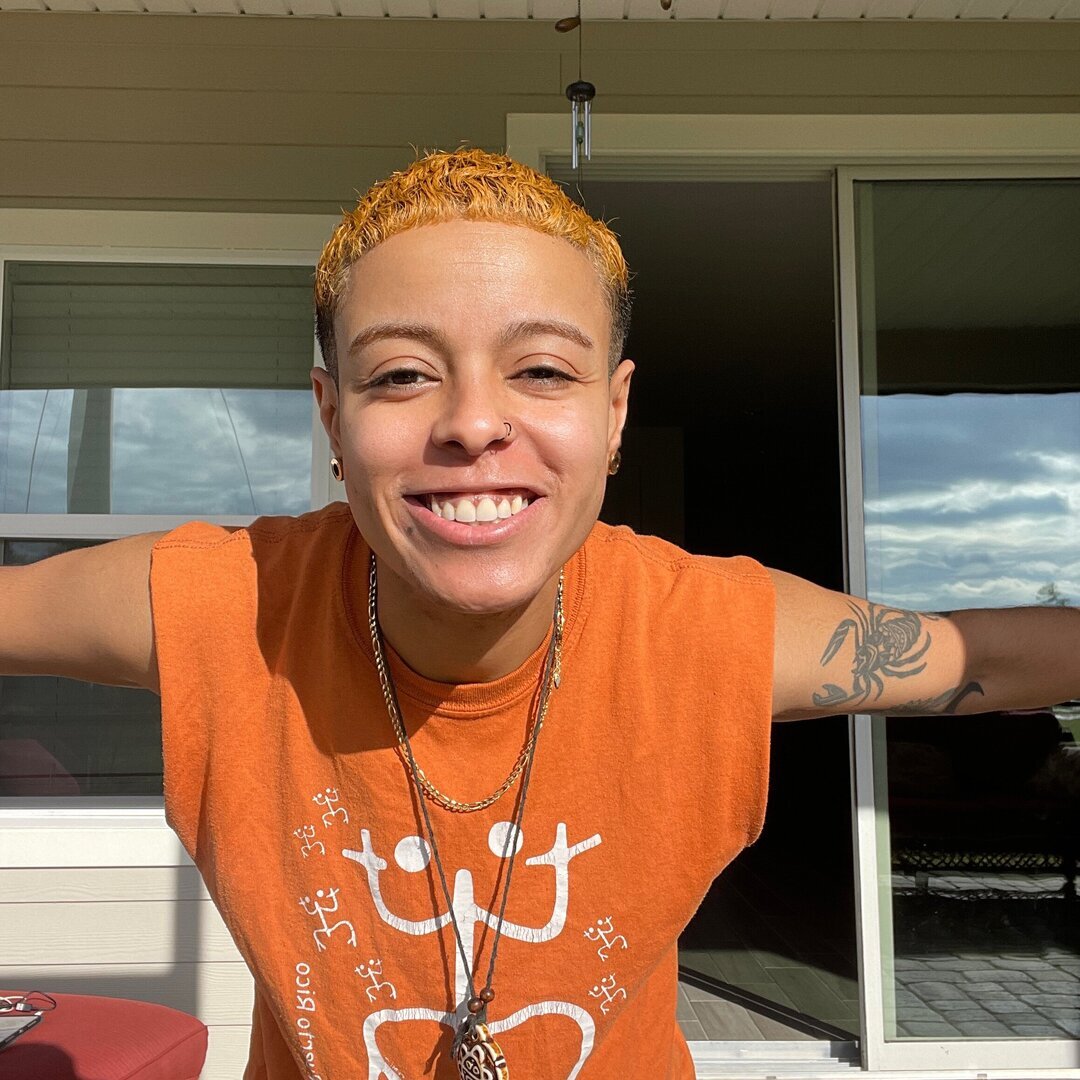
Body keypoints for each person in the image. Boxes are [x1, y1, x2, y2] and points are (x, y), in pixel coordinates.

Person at [2, 148, 1078, 1080]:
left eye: (543, 370)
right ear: (332, 419)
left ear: (614, 413)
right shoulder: (226, 609)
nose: (474, 422)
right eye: (403, 375)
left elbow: (979, 658)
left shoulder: (697, 634)